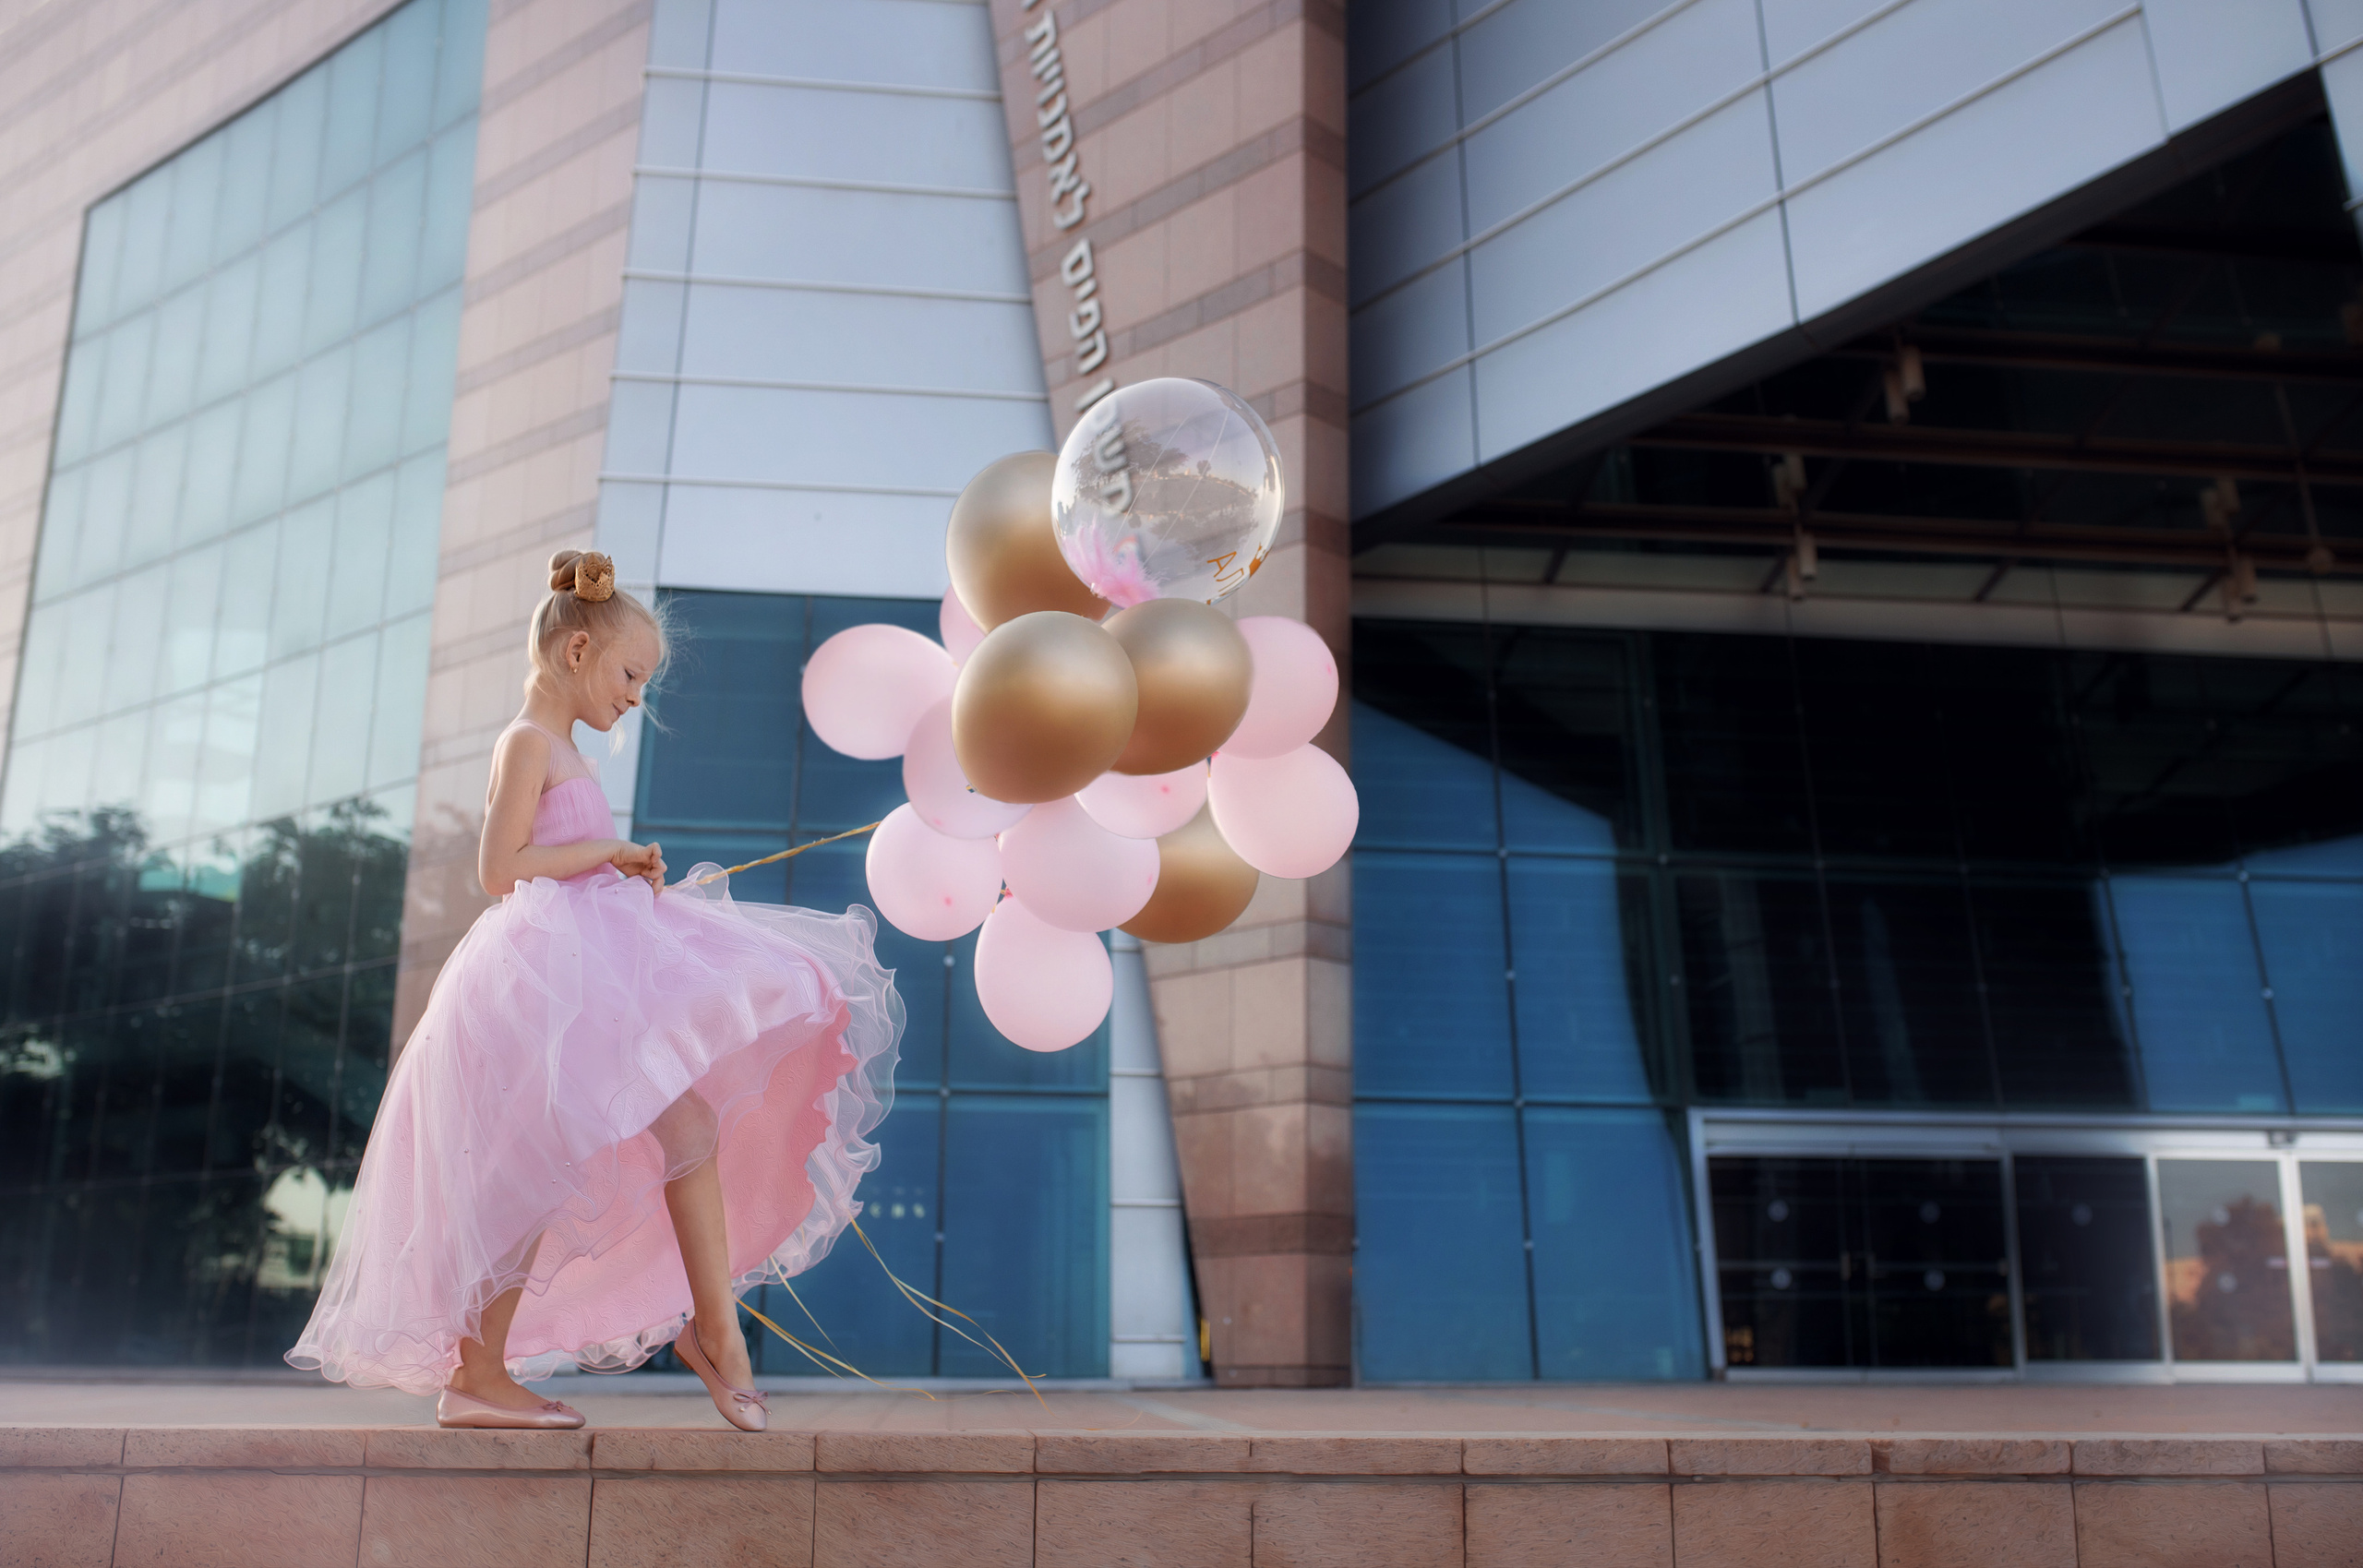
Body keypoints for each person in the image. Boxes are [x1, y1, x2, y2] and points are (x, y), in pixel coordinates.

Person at [287, 550, 901, 1430]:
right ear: (576, 651)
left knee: (685, 1128)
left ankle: (713, 1336)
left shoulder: (565, 752)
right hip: (538, 981)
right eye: (629, 673)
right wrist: (604, 854)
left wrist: (623, 869)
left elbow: (561, 866)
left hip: (580, 974)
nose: (634, 695)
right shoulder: (526, 741)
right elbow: (502, 869)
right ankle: (480, 1375)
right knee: (535, 1170)